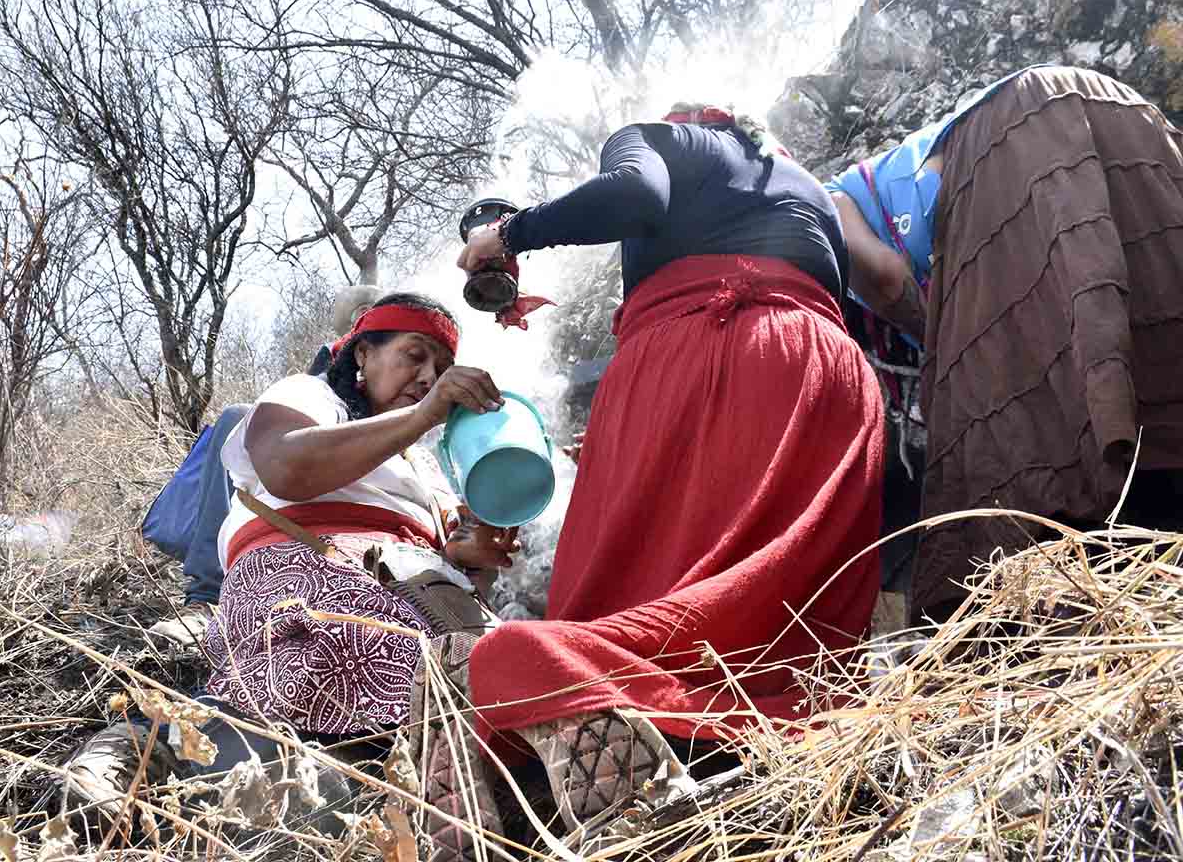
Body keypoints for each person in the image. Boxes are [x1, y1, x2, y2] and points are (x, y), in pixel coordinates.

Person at [444, 105, 884, 852]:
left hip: (710, 351)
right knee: (782, 602)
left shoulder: (661, 137)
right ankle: (781, 753)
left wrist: (506, 233)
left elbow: (635, 195)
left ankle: (607, 716)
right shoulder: (808, 185)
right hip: (830, 375)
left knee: (611, 605)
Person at [64, 292, 518, 834]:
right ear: (362, 355)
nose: (426, 375)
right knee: (331, 645)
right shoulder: (311, 397)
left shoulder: (427, 466)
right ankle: (145, 746)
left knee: (493, 674)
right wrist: (424, 415)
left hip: (412, 586)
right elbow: (283, 466)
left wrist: (474, 558)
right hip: (306, 562)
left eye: (440, 368)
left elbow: (454, 567)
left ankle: (357, 790)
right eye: (414, 355)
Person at [826, 65, 1183, 622]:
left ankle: (1069, 587)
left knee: (1010, 418)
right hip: (1123, 113)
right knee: (1146, 323)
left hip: (1012, 132)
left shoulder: (828, 201)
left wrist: (944, 355)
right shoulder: (895, 168)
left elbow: (890, 279)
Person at [146, 285, 386, 645]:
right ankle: (207, 600)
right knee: (235, 422)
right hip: (288, 496)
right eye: (359, 316)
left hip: (369, 546)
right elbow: (288, 445)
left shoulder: (423, 410)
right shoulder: (318, 381)